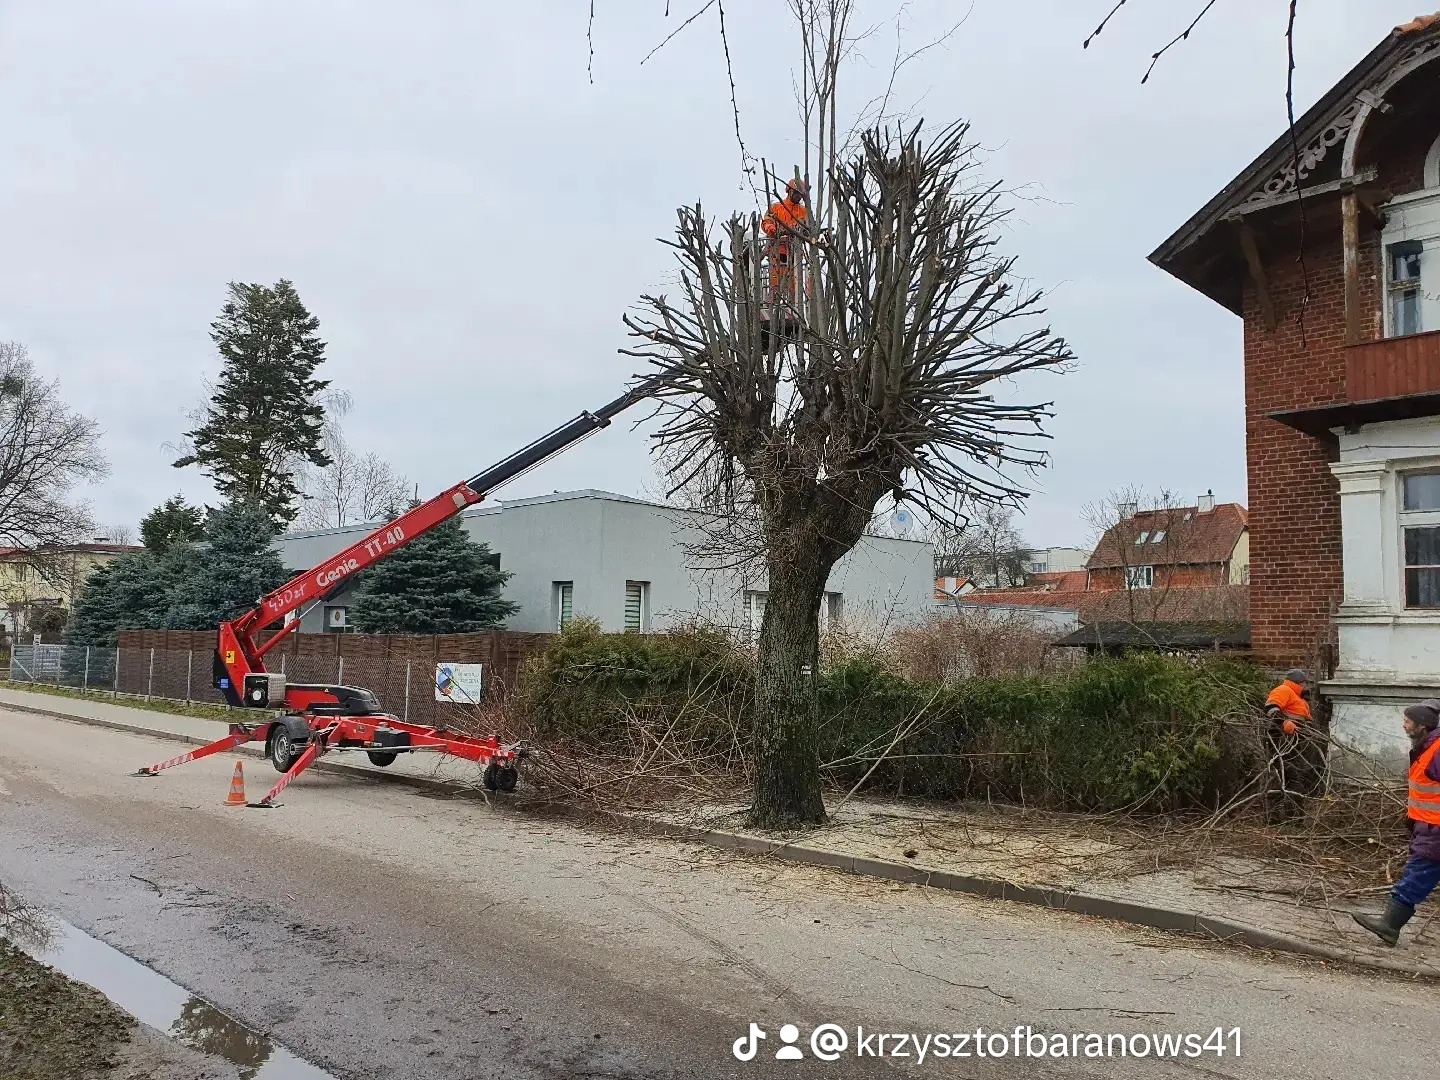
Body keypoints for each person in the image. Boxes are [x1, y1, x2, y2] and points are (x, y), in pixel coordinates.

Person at [1353, 699, 1440, 946]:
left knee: (1418, 874)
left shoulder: (1437, 750)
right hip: (1428, 825)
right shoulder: (1427, 747)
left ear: (1422, 726)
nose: (1403, 725)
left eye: (1407, 721)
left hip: (1435, 829)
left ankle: (1389, 925)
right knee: (1420, 873)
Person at [1264, 668, 1322, 818]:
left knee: (1289, 776)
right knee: (1288, 775)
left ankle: (1288, 815)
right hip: (1281, 740)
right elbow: (1271, 709)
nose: (1306, 686)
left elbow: (1305, 720)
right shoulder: (1284, 690)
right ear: (1298, 682)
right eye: (1304, 683)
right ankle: (1286, 816)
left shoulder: (1300, 699)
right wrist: (1284, 723)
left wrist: (1308, 731)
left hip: (1293, 743)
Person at [761, 179, 808, 306]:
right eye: (797, 193)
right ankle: (773, 303)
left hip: (795, 253)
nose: (799, 197)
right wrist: (773, 230)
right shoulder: (777, 207)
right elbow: (766, 221)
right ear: (790, 191)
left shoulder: (804, 211)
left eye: (801, 194)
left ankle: (793, 305)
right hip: (778, 251)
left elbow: (808, 228)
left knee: (794, 284)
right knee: (776, 281)